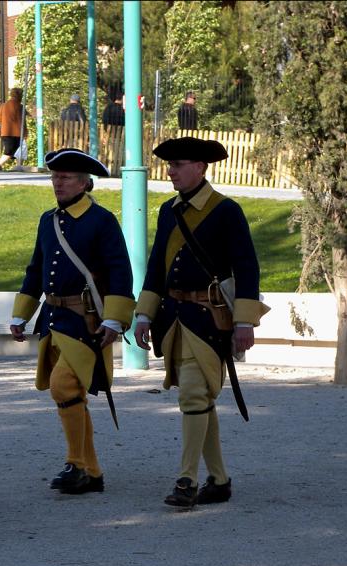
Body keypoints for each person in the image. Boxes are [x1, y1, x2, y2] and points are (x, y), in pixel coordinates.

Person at [133, 137, 269, 509]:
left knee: (193, 393)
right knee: (200, 398)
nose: (171, 171)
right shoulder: (168, 211)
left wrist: (244, 322)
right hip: (174, 319)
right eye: (170, 165)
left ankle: (186, 480)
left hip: (210, 319)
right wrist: (144, 313)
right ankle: (219, 480)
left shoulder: (226, 210)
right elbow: (157, 265)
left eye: (178, 164)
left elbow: (247, 267)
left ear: (201, 168)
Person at [10, 148, 135, 494]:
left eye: (65, 177)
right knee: (71, 391)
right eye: (55, 176)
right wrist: (22, 312)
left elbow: (119, 272)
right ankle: (90, 471)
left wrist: (114, 320)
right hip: (53, 318)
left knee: (64, 386)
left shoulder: (101, 220)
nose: (57, 183)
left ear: (84, 182)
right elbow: (36, 269)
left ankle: (75, 463)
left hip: (86, 321)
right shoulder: (47, 220)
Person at [0, 87, 24, 170]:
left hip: (5, 132)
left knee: (14, 151)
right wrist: (25, 132)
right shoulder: (20, 106)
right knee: (13, 152)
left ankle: (18, 167)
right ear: (19, 95)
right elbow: (22, 120)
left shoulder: (4, 105)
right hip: (16, 133)